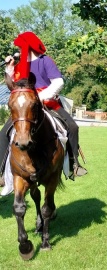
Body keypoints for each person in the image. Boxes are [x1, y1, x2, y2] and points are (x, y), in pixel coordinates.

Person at [1, 32, 87, 194]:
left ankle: (74, 164)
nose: (18, 49)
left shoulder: (44, 61)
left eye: (20, 46)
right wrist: (10, 69)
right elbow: (13, 87)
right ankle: (1, 173)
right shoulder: (20, 65)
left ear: (28, 46)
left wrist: (39, 97)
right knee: (3, 133)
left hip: (48, 103)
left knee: (73, 127)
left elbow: (58, 82)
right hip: (26, 108)